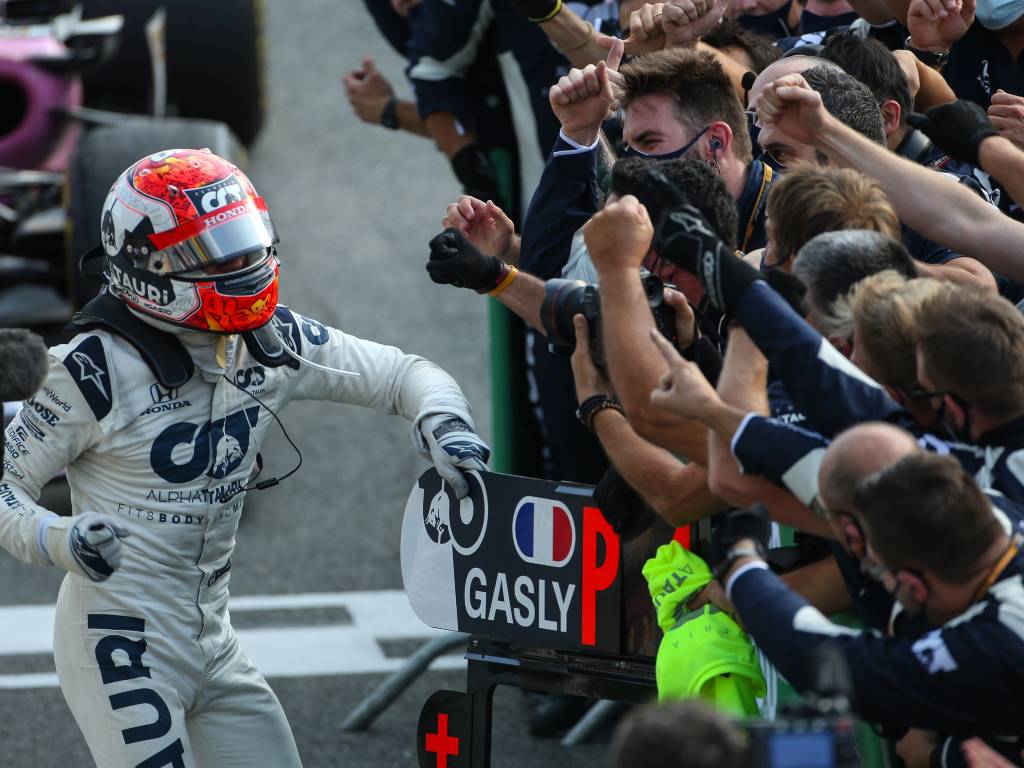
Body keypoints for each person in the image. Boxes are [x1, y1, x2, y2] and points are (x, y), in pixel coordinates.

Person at [0, 149, 488, 768]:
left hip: (213, 638)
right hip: (117, 643)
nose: (242, 266)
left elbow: (404, 375)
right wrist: (61, 538)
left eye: (243, 243)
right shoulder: (88, 371)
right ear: (148, 265)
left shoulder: (269, 341)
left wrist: (445, 422)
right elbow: (6, 486)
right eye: (215, 254)